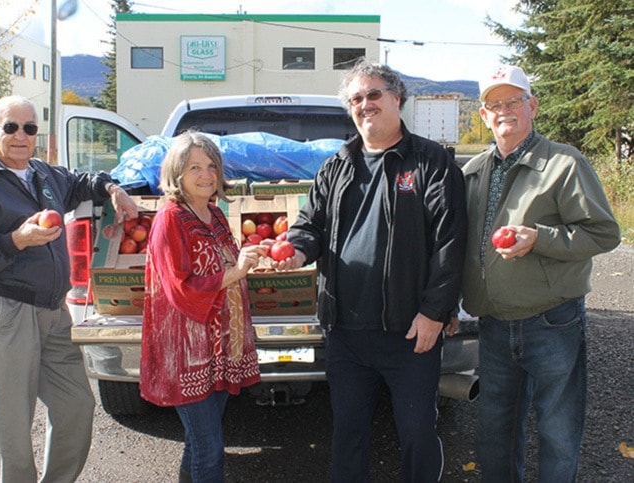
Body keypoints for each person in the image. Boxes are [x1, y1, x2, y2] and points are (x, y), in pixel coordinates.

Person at [274, 58, 468, 482]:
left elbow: (451, 245)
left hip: (410, 333)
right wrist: (296, 249)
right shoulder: (337, 165)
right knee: (348, 435)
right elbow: (311, 226)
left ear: (397, 98)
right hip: (346, 333)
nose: (366, 104)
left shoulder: (432, 163)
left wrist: (435, 313)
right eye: (357, 98)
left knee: (417, 433)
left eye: (374, 94)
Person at [0, 95, 139, 482]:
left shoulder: (41, 174)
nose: (21, 136)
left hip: (53, 312)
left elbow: (80, 181)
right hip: (5, 312)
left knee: (76, 408)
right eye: (10, 127)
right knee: (11, 426)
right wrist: (16, 239)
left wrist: (111, 187)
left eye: (29, 128)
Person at [459, 65, 621, 482]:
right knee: (495, 432)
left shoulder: (564, 163)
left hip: (552, 319)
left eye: (514, 101)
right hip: (494, 322)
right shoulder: (473, 171)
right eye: (495, 104)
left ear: (532, 105)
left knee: (558, 432)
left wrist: (541, 238)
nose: (505, 111)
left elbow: (603, 233)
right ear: (483, 115)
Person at [139, 131, 264, 483]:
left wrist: (249, 258)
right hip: (186, 351)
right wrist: (236, 272)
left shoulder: (214, 213)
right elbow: (180, 289)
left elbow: (226, 264)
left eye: (211, 166)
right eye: (194, 167)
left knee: (197, 444)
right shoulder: (170, 220)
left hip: (218, 348)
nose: (206, 174)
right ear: (177, 173)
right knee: (209, 448)